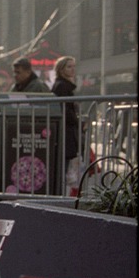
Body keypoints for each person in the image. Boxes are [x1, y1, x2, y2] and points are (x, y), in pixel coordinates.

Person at [51, 55, 81, 193]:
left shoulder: (66, 85)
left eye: (74, 66)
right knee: (62, 167)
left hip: (67, 132)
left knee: (64, 167)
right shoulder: (62, 86)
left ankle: (61, 193)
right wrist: (77, 120)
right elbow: (65, 110)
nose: (72, 69)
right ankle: (59, 194)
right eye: (69, 66)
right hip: (64, 133)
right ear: (61, 69)